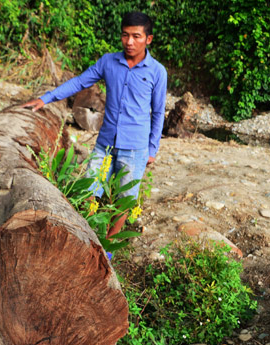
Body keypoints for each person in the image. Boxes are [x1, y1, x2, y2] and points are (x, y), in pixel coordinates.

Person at [22, 11, 167, 238]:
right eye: (125, 35)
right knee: (90, 189)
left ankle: (108, 247)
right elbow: (80, 82)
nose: (130, 42)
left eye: (136, 36)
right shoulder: (108, 62)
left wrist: (152, 149)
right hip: (105, 144)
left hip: (135, 148)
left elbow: (158, 113)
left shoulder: (157, 72)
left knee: (124, 199)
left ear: (148, 39)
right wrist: (46, 98)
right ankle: (89, 236)